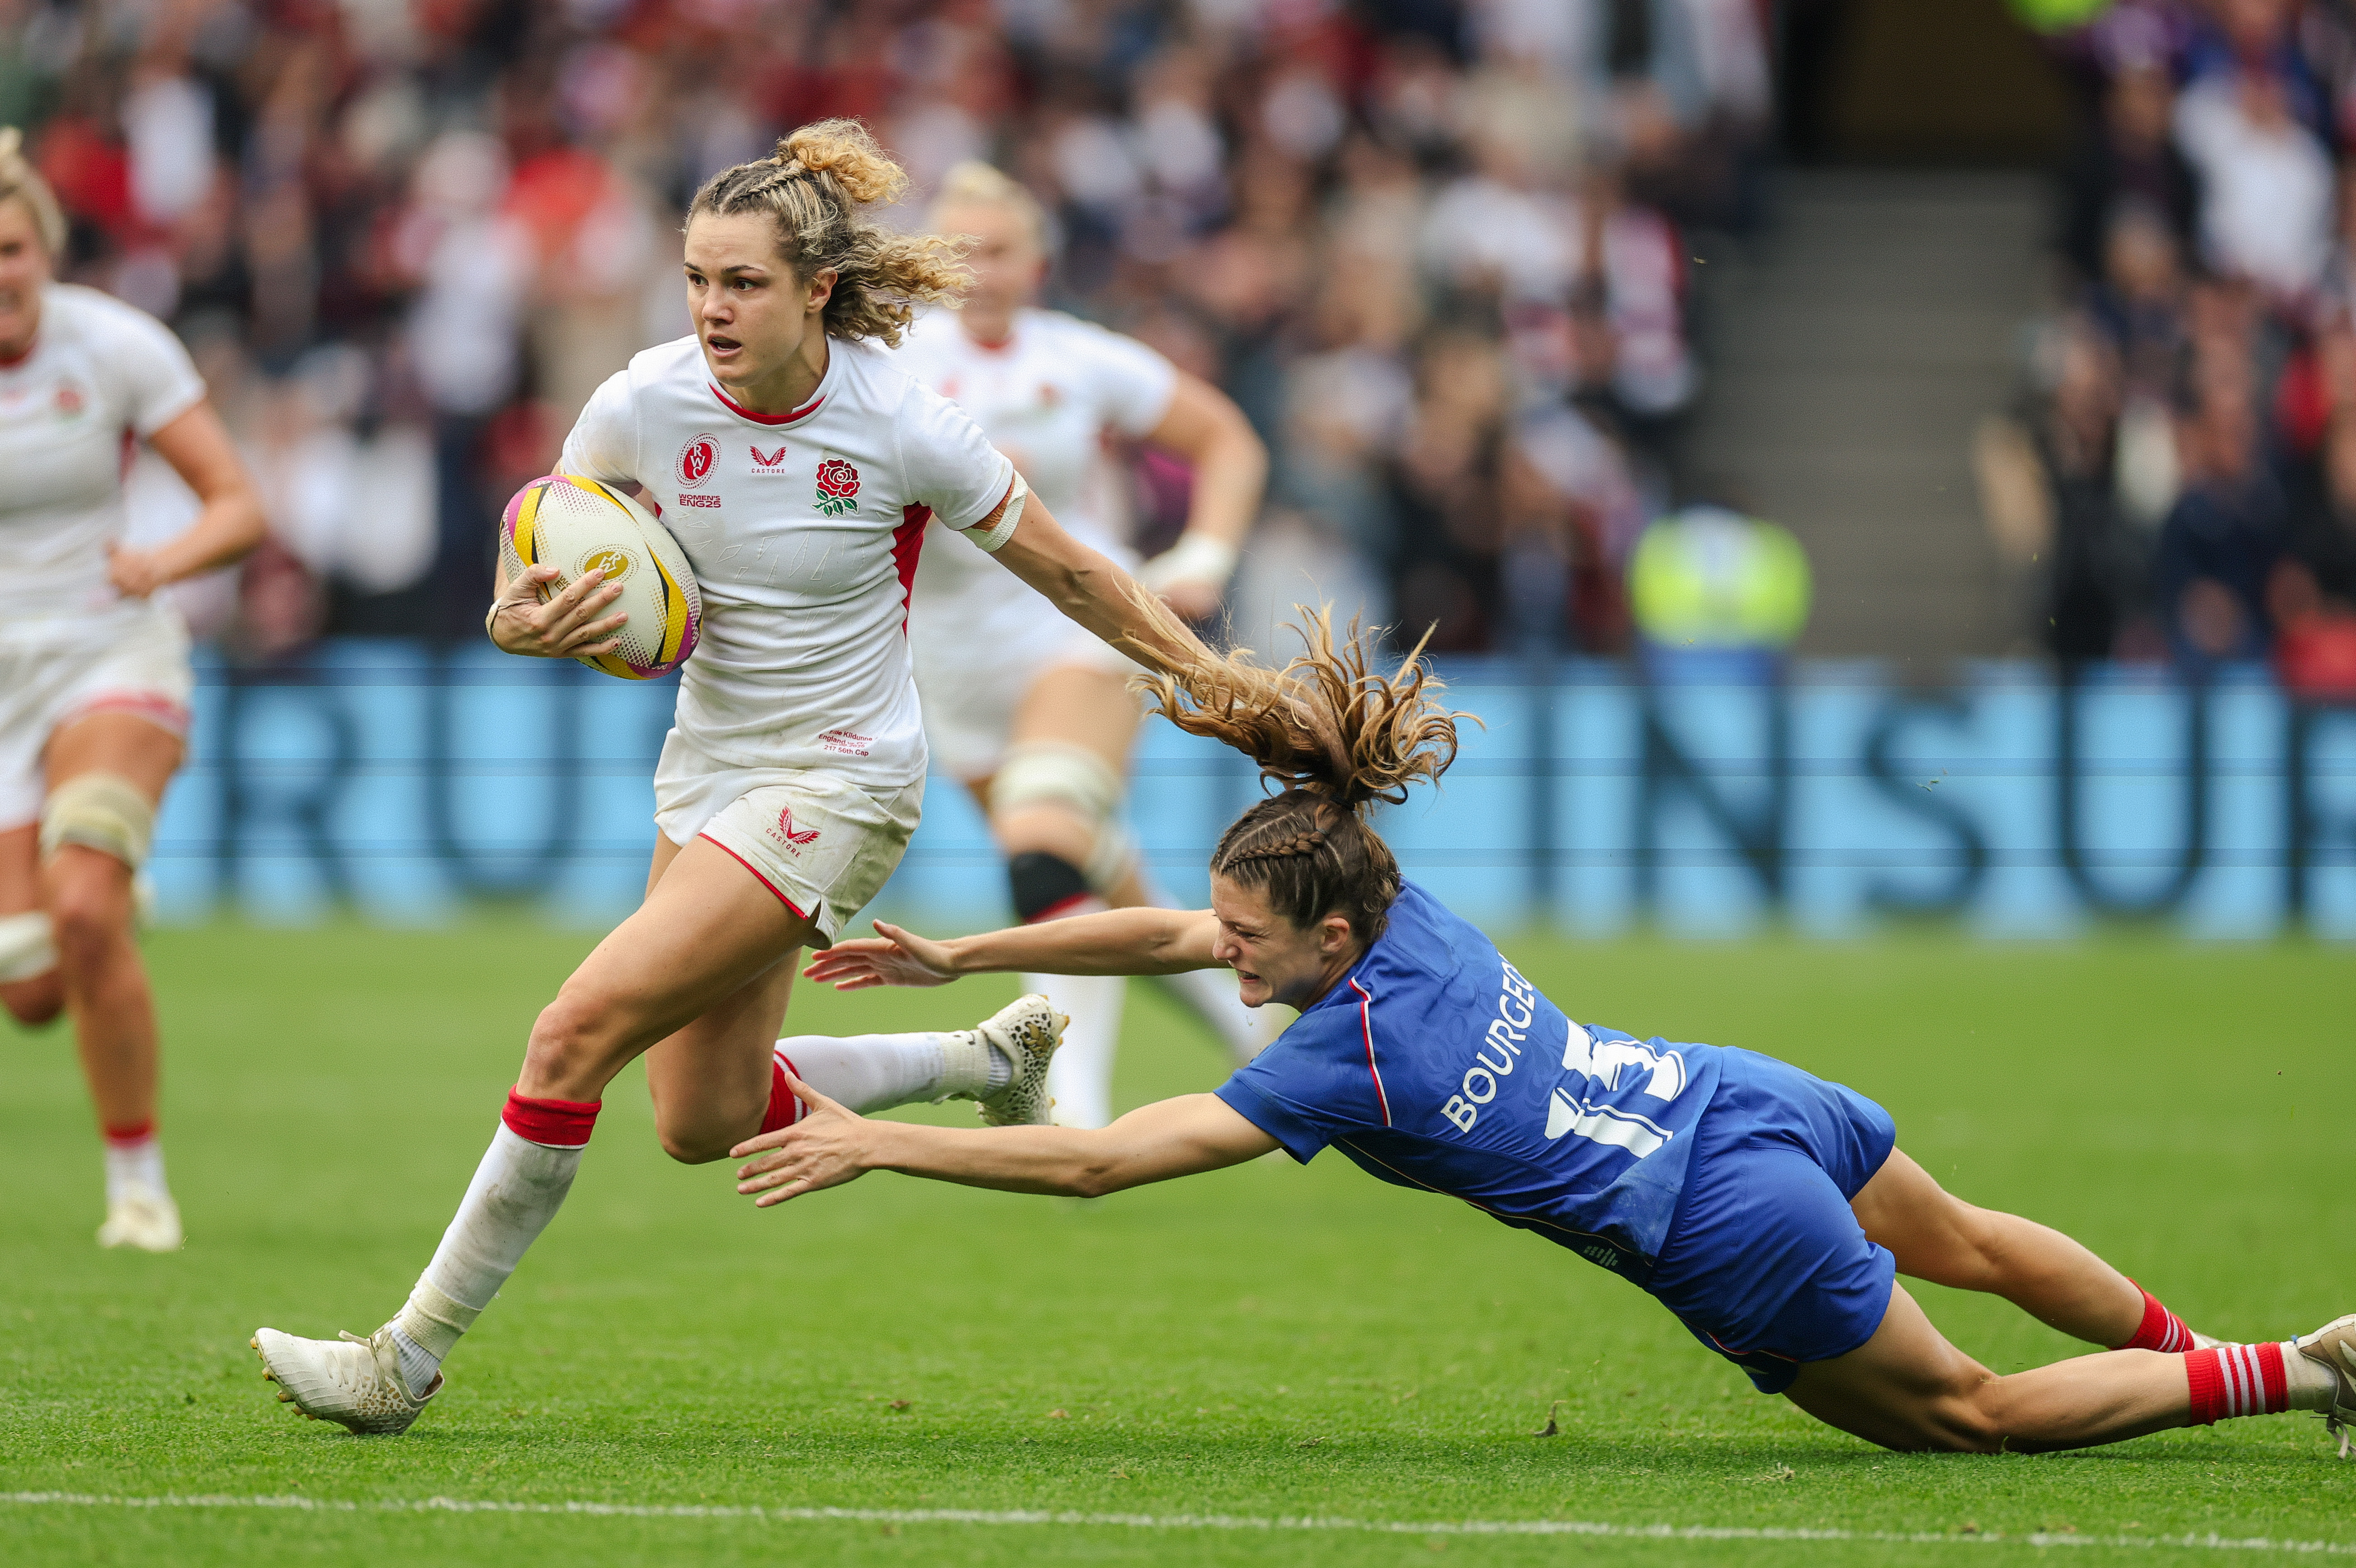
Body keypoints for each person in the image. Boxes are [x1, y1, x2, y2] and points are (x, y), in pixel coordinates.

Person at [752, 603, 2356, 1456]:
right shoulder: (1392, 898)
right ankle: (2210, 1356)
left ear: (1324, 936)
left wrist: (873, 1138)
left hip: (1720, 1219)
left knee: (1976, 1414)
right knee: (1987, 1246)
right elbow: (1171, 920)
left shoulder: (1341, 1054)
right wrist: (964, 953)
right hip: (1742, 1096)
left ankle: (2295, 1372)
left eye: (1251, 949)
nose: (1222, 967)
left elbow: (1104, 1166)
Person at [251, 121, 1218, 1435]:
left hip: (844, 778)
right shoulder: (645, 397)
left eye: (744, 282)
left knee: (569, 1032)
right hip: (706, 765)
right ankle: (980, 1051)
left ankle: (402, 1357)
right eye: (699, 277)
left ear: (816, 289)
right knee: (700, 1116)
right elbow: (539, 531)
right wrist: (512, 615)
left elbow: (1075, 570)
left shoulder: (901, 420)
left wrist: (1228, 688)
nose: (713, 306)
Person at [892, 161, 1279, 1129]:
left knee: (1042, 851)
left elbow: (1226, 439)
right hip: (951, 661)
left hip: (1079, 628)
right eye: (959, 252)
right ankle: (1250, 1027)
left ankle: (1069, 1108)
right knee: (1084, 874)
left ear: (1039, 259)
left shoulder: (1078, 360)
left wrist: (1204, 552)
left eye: (1000, 250)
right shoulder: (887, 360)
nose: (981, 270)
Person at [0, 130, 267, 1252]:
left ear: (45, 252)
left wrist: (164, 560)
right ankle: (85, 879)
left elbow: (236, 503)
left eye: (10, 249)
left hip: (111, 650)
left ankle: (139, 1191)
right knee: (31, 990)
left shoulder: (112, 346)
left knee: (83, 911)